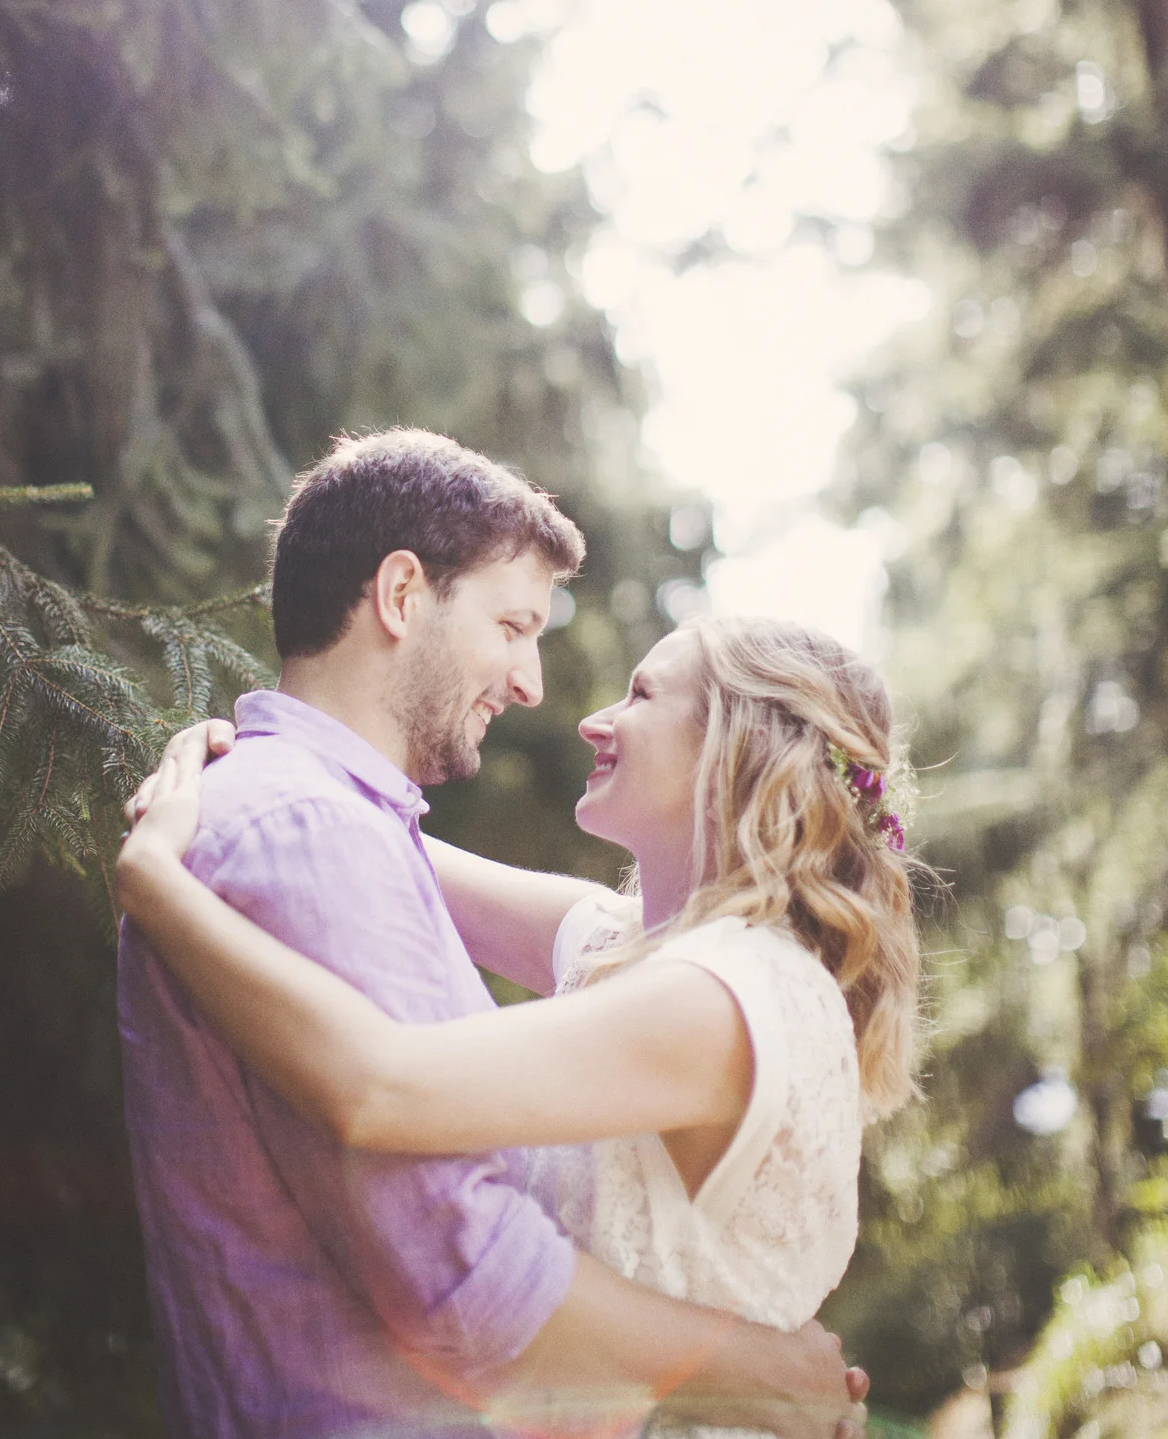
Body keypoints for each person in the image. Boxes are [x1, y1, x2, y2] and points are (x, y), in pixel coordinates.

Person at [117, 427, 868, 1439]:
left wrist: (186, 842)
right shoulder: (314, 826)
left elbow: (384, 1077)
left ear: (734, 752)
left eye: (640, 693)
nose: (539, 688)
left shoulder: (718, 983)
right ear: (398, 595)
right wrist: (240, 774)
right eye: (514, 624)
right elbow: (464, 1271)